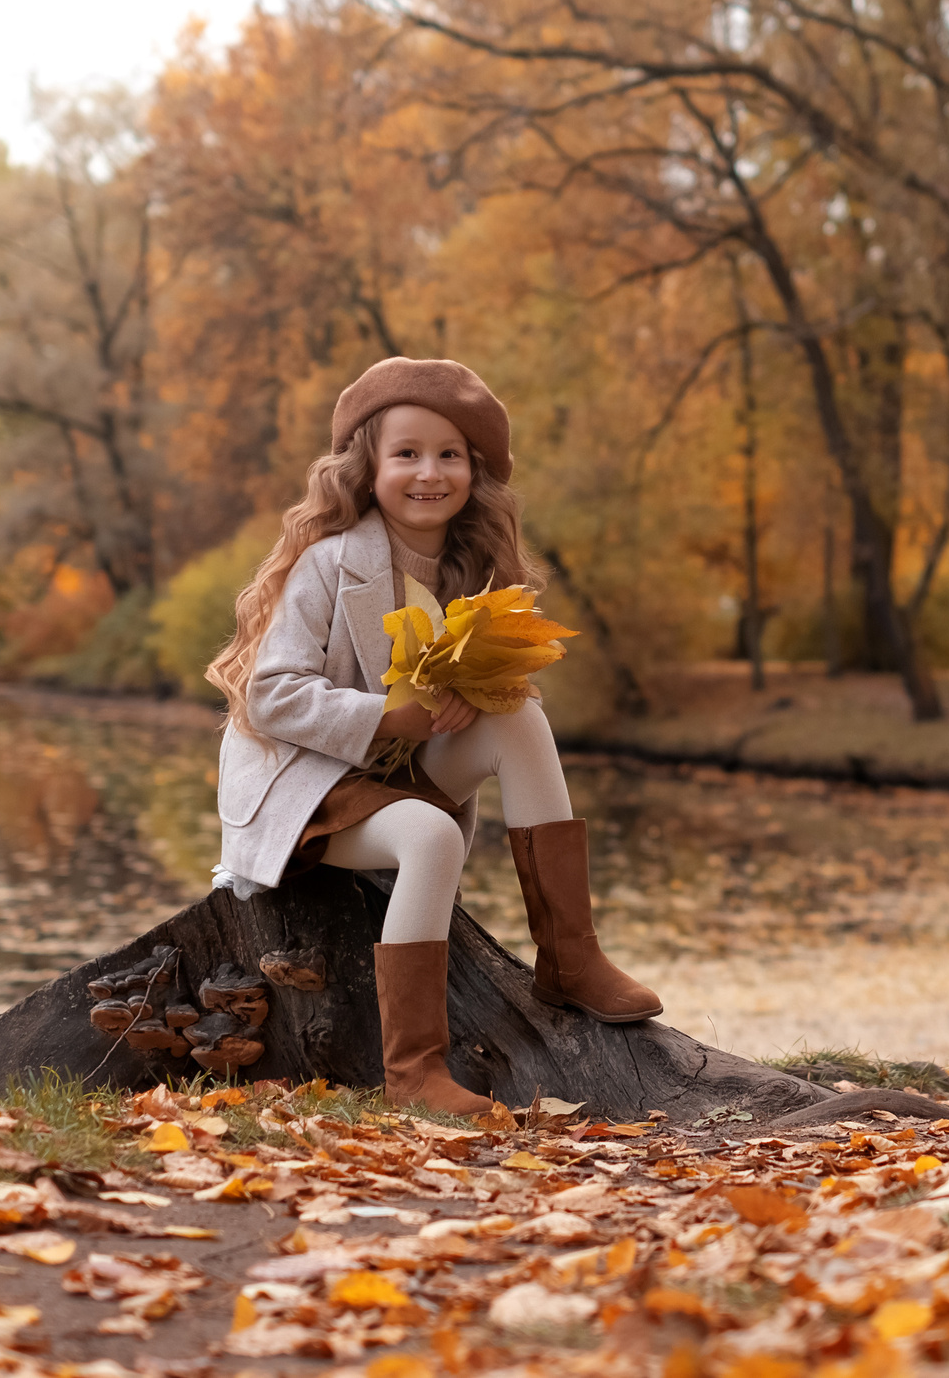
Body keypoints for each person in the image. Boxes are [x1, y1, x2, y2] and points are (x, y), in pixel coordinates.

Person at [204, 357, 661, 1114]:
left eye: (450, 455)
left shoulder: (469, 569)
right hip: (310, 789)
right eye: (407, 454)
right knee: (430, 836)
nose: (430, 472)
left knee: (520, 714)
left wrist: (469, 695)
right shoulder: (328, 564)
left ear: (475, 471)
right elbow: (271, 693)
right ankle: (414, 1071)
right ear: (369, 466)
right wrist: (389, 717)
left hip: (396, 770)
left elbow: (470, 682)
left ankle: (570, 956)